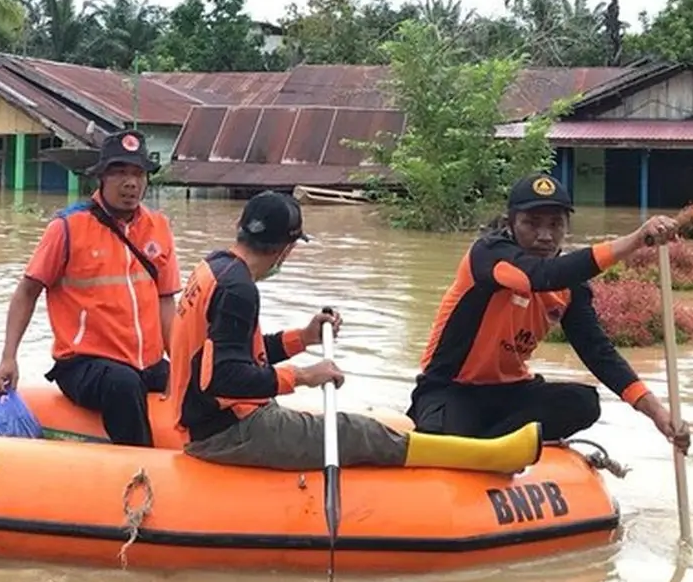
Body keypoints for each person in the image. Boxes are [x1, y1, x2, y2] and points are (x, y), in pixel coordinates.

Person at [168, 191, 541, 473]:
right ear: (285, 249)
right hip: (227, 432)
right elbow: (224, 377)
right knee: (357, 432)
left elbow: (236, 354)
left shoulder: (215, 267)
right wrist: (303, 376)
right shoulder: (239, 290)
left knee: (363, 425)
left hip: (212, 420)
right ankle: (489, 458)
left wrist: (303, 337)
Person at [407, 172, 692, 451]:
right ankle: (484, 449)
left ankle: (494, 449)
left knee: (583, 403)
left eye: (556, 224)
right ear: (510, 224)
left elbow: (598, 352)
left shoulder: (570, 287)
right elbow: (539, 277)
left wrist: (657, 412)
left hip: (512, 394)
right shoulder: (488, 255)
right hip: (452, 389)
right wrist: (636, 239)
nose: (545, 236)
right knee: (443, 437)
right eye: (532, 223)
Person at [0, 129, 181, 446]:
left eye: (138, 173)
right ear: (101, 177)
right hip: (84, 365)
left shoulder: (158, 226)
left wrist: (181, 365)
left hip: (147, 362)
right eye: (119, 172)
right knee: (124, 384)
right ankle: (141, 471)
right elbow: (27, 292)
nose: (130, 182)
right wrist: (9, 357)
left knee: (201, 382)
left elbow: (165, 302)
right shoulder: (67, 226)